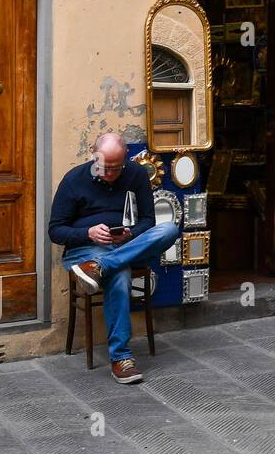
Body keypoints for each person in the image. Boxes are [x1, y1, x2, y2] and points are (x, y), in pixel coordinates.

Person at [47, 133, 179, 384]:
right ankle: (121, 358)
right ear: (92, 153)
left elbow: (148, 221)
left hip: (125, 246)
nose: (108, 173)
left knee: (169, 230)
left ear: (126, 158)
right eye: (103, 167)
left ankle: (100, 267)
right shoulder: (73, 180)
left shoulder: (137, 175)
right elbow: (55, 231)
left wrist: (131, 233)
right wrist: (88, 232)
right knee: (120, 275)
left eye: (115, 168)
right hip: (85, 250)